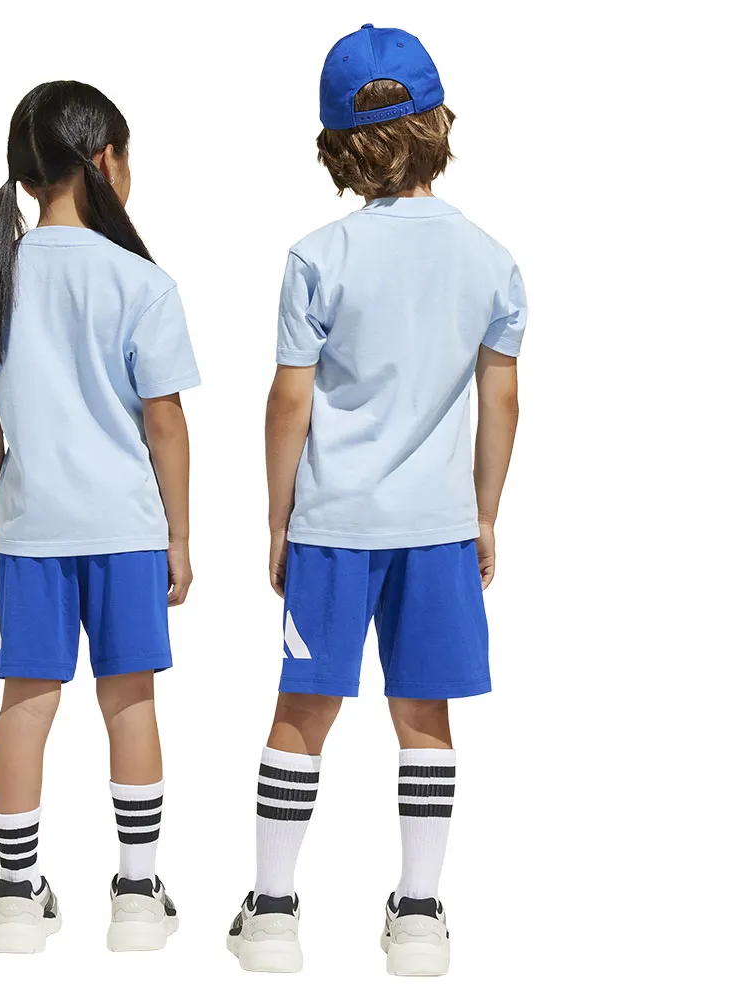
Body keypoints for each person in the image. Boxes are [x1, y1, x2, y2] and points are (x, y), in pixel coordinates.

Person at [226, 25, 526, 976]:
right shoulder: (491, 260)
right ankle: (421, 914)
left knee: (303, 709)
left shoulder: (318, 255)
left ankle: (274, 912)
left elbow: (289, 402)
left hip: (334, 524)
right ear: (440, 123)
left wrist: (278, 519)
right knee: (423, 715)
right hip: (437, 529)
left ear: (335, 145)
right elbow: (502, 401)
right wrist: (484, 513)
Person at [0, 80, 199, 955]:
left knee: (25, 703)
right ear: (104, 160)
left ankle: (17, 894)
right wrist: (180, 535)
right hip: (127, 530)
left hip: (34, 533)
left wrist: (2, 521)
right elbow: (166, 422)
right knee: (130, 702)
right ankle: (137, 893)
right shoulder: (141, 282)